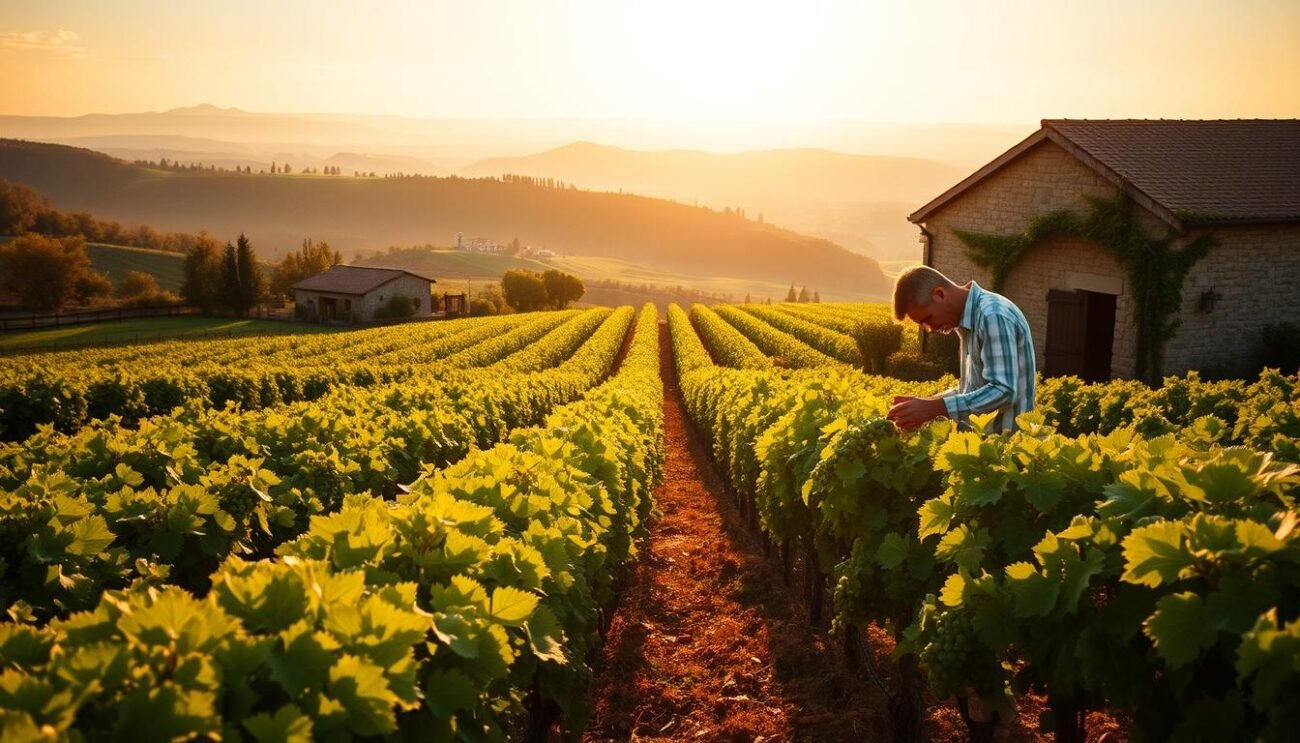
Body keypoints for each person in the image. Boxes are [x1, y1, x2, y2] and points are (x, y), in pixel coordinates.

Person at [885, 265, 1035, 433]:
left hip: (1006, 450)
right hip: (986, 448)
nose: (930, 329)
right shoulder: (967, 323)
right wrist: (925, 405)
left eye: (928, 318)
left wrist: (935, 407)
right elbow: (971, 390)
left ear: (939, 294)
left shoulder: (992, 315)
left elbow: (1003, 390)